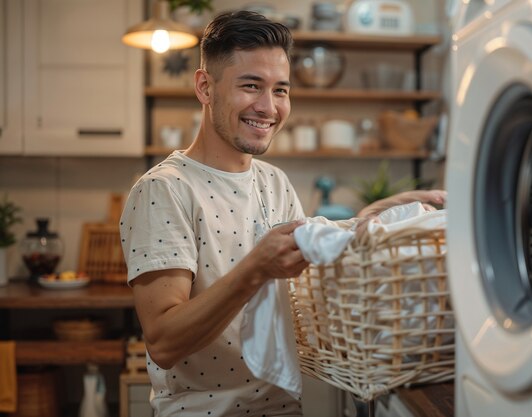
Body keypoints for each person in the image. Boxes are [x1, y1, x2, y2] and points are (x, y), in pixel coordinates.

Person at [119, 10, 446, 417]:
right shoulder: (163, 189)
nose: (268, 107)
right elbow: (164, 342)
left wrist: (383, 213)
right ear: (205, 87)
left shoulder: (273, 181)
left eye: (281, 90)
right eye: (251, 85)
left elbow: (302, 251)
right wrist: (256, 268)